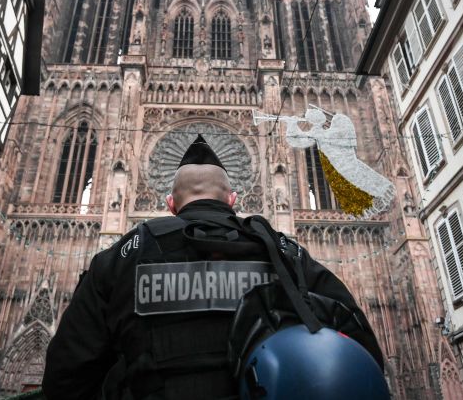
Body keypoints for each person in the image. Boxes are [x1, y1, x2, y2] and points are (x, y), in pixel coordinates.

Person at [42, 135, 384, 400]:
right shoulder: (282, 253)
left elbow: (66, 375)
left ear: (170, 204)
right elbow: (360, 353)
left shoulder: (122, 257)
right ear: (233, 200)